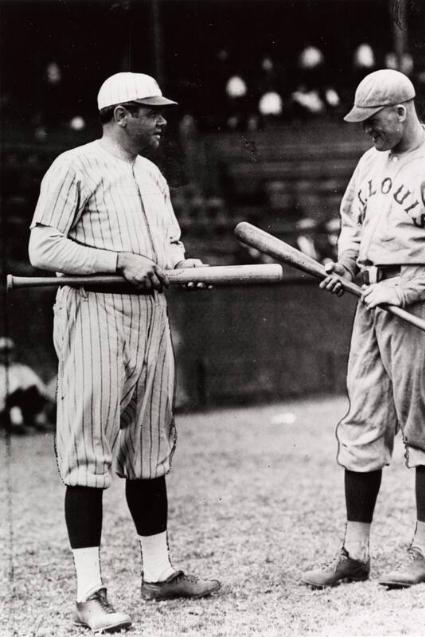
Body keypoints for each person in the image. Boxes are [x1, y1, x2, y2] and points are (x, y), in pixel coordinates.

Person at [28, 72, 221, 633]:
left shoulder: (153, 174)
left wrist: (184, 266)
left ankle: (158, 573)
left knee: (151, 447)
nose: (164, 120)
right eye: (152, 111)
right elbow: (43, 246)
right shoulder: (75, 165)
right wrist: (116, 260)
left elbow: (167, 248)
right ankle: (89, 593)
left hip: (150, 315)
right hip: (95, 310)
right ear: (120, 114)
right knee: (87, 452)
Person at [301, 69, 425, 590]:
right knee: (361, 426)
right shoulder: (370, 161)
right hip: (372, 299)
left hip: (421, 307)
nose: (366, 131)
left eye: (372, 120)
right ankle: (354, 555)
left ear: (401, 110)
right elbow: (353, 221)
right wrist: (347, 266)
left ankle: (423, 552)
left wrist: (403, 289)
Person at [0, 336, 54, 434]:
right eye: (3, 352)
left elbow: (39, 387)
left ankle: (37, 422)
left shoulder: (22, 369)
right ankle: (18, 425)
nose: (7, 355)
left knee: (33, 391)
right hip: (6, 407)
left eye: (9, 351)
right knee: (15, 401)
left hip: (27, 404)